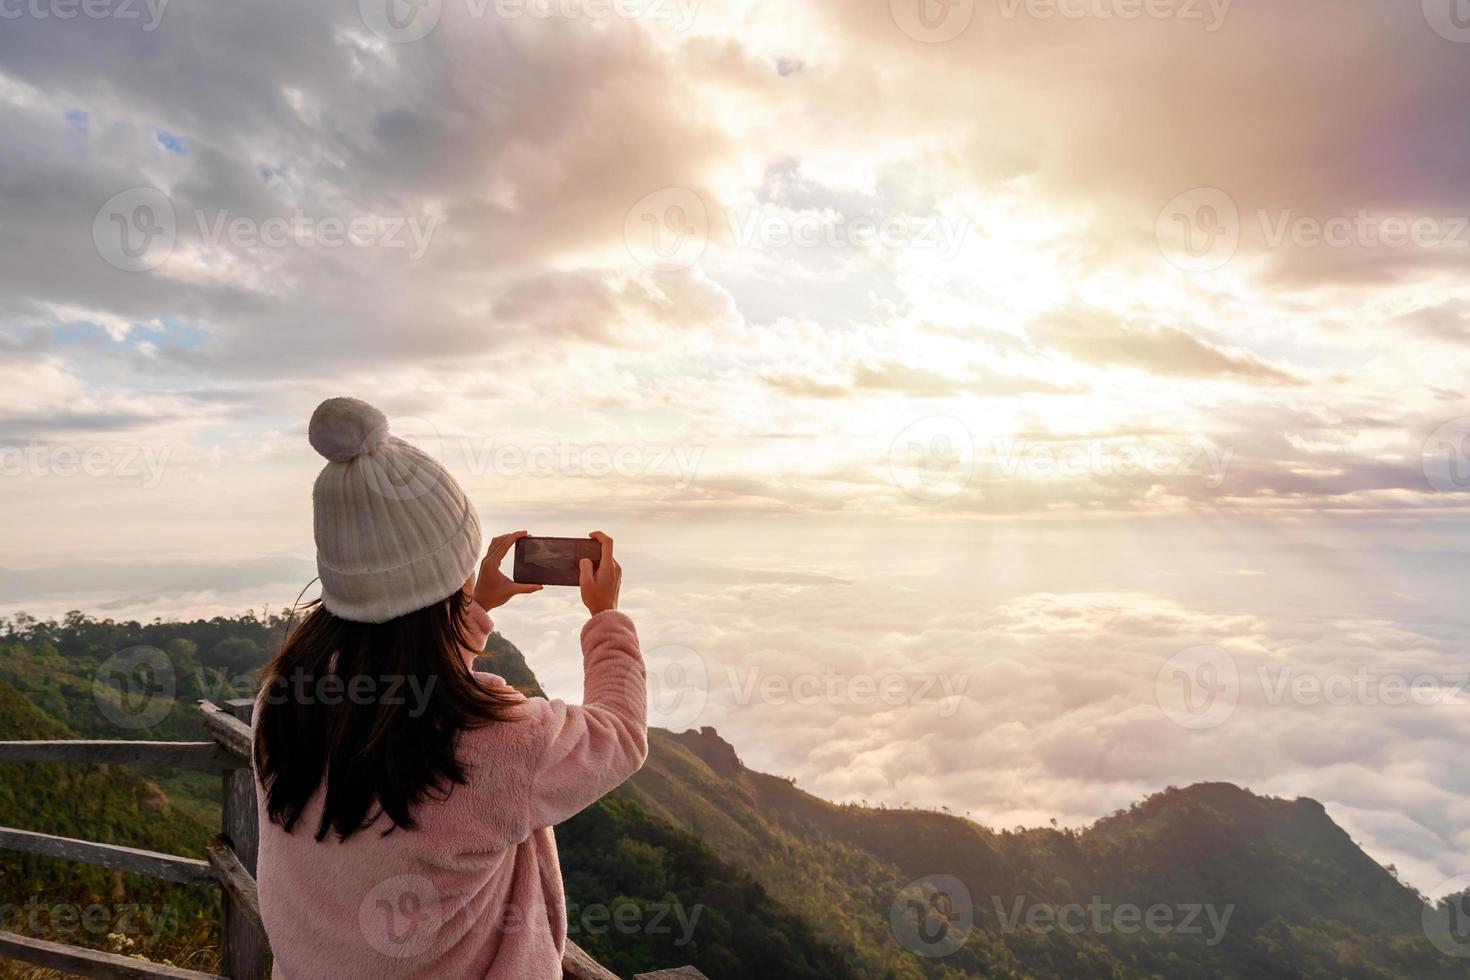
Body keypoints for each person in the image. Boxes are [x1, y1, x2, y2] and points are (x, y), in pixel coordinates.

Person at [252, 396, 647, 979]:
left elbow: (397, 684)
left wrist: (469, 607)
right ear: (452, 572)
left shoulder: (285, 702)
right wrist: (605, 617)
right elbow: (619, 736)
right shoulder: (494, 738)